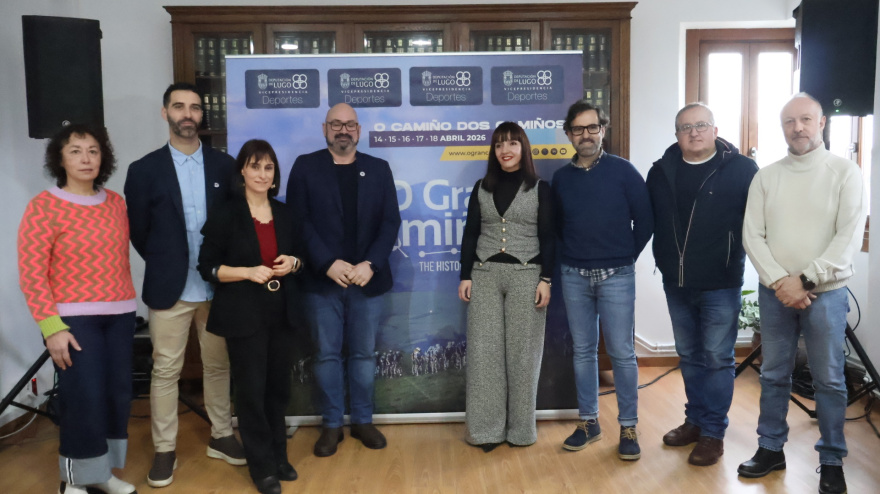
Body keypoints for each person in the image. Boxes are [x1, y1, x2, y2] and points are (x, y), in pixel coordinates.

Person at [739, 93, 867, 494]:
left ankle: (831, 461)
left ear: (822, 123)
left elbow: (847, 237)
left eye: (806, 120)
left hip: (825, 295)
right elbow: (752, 236)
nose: (798, 128)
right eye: (790, 121)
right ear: (783, 128)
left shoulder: (846, 172)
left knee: (829, 379)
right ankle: (770, 448)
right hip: (777, 294)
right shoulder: (766, 176)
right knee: (775, 374)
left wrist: (806, 280)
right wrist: (782, 281)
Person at [124, 82, 244, 488]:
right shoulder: (143, 171)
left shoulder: (226, 166)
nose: (187, 114)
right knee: (166, 372)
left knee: (217, 365)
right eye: (179, 107)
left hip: (218, 285)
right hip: (169, 288)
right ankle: (164, 449)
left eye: (194, 107)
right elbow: (138, 231)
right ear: (165, 113)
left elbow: (234, 225)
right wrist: (166, 262)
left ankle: (222, 435)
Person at [18, 124, 137, 494]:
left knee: (116, 394)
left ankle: (100, 473)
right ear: (60, 158)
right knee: (83, 395)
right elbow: (32, 271)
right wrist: (52, 327)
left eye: (93, 151)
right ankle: (73, 481)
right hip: (72, 319)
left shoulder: (116, 203)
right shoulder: (44, 206)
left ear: (104, 158)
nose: (85, 158)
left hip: (120, 314)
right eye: (75, 151)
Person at [286, 103, 401, 457]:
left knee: (364, 355)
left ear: (359, 131)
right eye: (336, 124)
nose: (343, 130)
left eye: (350, 124)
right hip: (323, 282)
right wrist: (326, 263)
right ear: (325, 129)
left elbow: (389, 222)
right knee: (326, 356)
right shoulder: (306, 167)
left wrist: (370, 263)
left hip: (367, 280)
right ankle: (332, 425)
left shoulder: (378, 169)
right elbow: (298, 221)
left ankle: (363, 421)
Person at [646, 103, 758, 466]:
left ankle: (713, 432)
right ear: (676, 134)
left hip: (720, 282)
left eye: (700, 125)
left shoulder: (742, 170)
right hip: (676, 282)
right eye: (685, 127)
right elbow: (651, 221)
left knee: (717, 358)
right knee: (690, 356)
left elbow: (757, 225)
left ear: (714, 128)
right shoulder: (661, 171)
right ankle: (694, 421)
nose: (693, 132)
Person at [198, 139, 304, 494]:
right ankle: (261, 467)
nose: (262, 173)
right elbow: (208, 267)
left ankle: (279, 456)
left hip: (281, 312)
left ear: (275, 176)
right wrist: (245, 271)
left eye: (268, 167)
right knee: (251, 393)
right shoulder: (226, 213)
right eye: (255, 166)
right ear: (242, 170)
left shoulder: (286, 213)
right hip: (243, 314)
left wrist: (294, 263)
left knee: (277, 390)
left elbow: (302, 259)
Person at [554, 100, 653, 460]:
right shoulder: (562, 179)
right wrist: (567, 263)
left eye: (592, 127)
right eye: (578, 129)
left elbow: (645, 221)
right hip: (574, 275)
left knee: (622, 353)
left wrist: (625, 257)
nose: (586, 135)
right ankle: (588, 423)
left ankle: (628, 426)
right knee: (582, 352)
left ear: (603, 129)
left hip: (617, 275)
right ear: (569, 134)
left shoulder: (624, 172)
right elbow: (557, 229)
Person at [458, 122, 554, 451]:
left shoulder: (540, 188)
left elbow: (549, 237)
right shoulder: (481, 188)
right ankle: (485, 430)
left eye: (512, 143)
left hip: (528, 275)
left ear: (523, 148)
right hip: (484, 273)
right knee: (485, 356)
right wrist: (465, 275)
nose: (505, 150)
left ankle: (521, 431)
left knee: (523, 356)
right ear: (494, 151)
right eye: (499, 145)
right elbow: (470, 232)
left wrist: (546, 279)